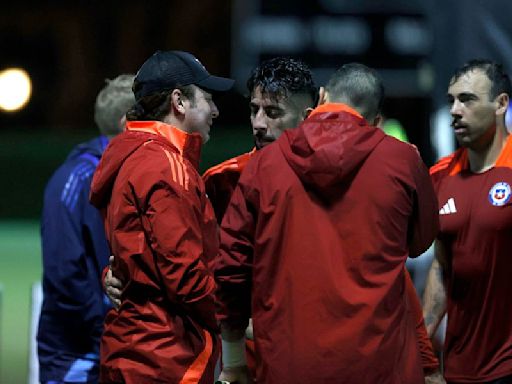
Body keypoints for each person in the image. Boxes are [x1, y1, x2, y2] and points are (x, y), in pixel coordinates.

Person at [105, 57, 442, 382]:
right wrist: (117, 272)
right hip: (252, 362)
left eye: (273, 112)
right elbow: (180, 257)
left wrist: (427, 362)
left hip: (277, 360)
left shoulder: (257, 174)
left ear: (312, 113)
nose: (258, 123)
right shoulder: (221, 181)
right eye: (254, 110)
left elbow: (391, 272)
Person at [214, 63, 439, 383]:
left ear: (321, 98)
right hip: (380, 366)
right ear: (376, 122)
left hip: (289, 366)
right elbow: (419, 245)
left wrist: (234, 361)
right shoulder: (403, 160)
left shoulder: (262, 167)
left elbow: (230, 271)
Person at [89, 50, 233, 384]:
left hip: (133, 351)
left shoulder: (130, 152)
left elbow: (138, 250)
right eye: (208, 99)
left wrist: (113, 273)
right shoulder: (165, 166)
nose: (215, 110)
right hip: (166, 358)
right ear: (179, 101)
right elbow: (187, 278)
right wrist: (238, 324)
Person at [37, 74, 135, 383]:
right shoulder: (76, 179)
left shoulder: (127, 176)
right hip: (78, 358)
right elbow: (64, 274)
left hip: (110, 348)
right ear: (127, 122)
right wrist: (107, 328)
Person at [423, 59, 512, 383]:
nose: (455, 110)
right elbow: (442, 266)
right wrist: (421, 345)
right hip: (458, 369)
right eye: (451, 101)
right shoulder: (440, 177)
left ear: (501, 104)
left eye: (468, 99)